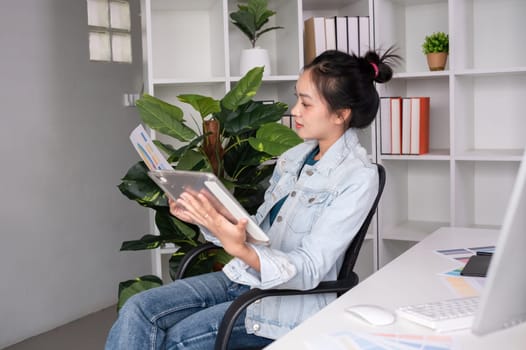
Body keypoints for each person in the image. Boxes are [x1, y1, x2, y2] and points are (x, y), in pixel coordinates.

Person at [106, 48, 399, 350]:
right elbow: (259, 231)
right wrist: (207, 216)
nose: (295, 110)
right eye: (297, 98)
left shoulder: (358, 177)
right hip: (243, 278)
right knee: (138, 309)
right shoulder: (293, 157)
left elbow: (310, 269)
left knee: (172, 341)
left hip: (282, 302)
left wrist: (241, 250)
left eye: (306, 103)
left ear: (341, 114)